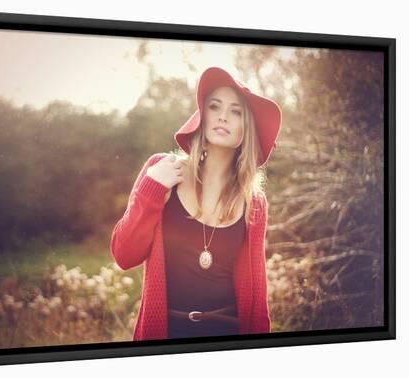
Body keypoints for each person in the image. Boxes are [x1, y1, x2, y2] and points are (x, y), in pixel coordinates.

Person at [110, 66, 282, 341]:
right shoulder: (162, 172)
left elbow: (257, 298)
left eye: (236, 111)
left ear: (245, 129)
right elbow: (123, 255)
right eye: (215, 107)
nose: (223, 116)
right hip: (166, 334)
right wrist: (151, 190)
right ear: (202, 116)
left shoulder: (254, 202)